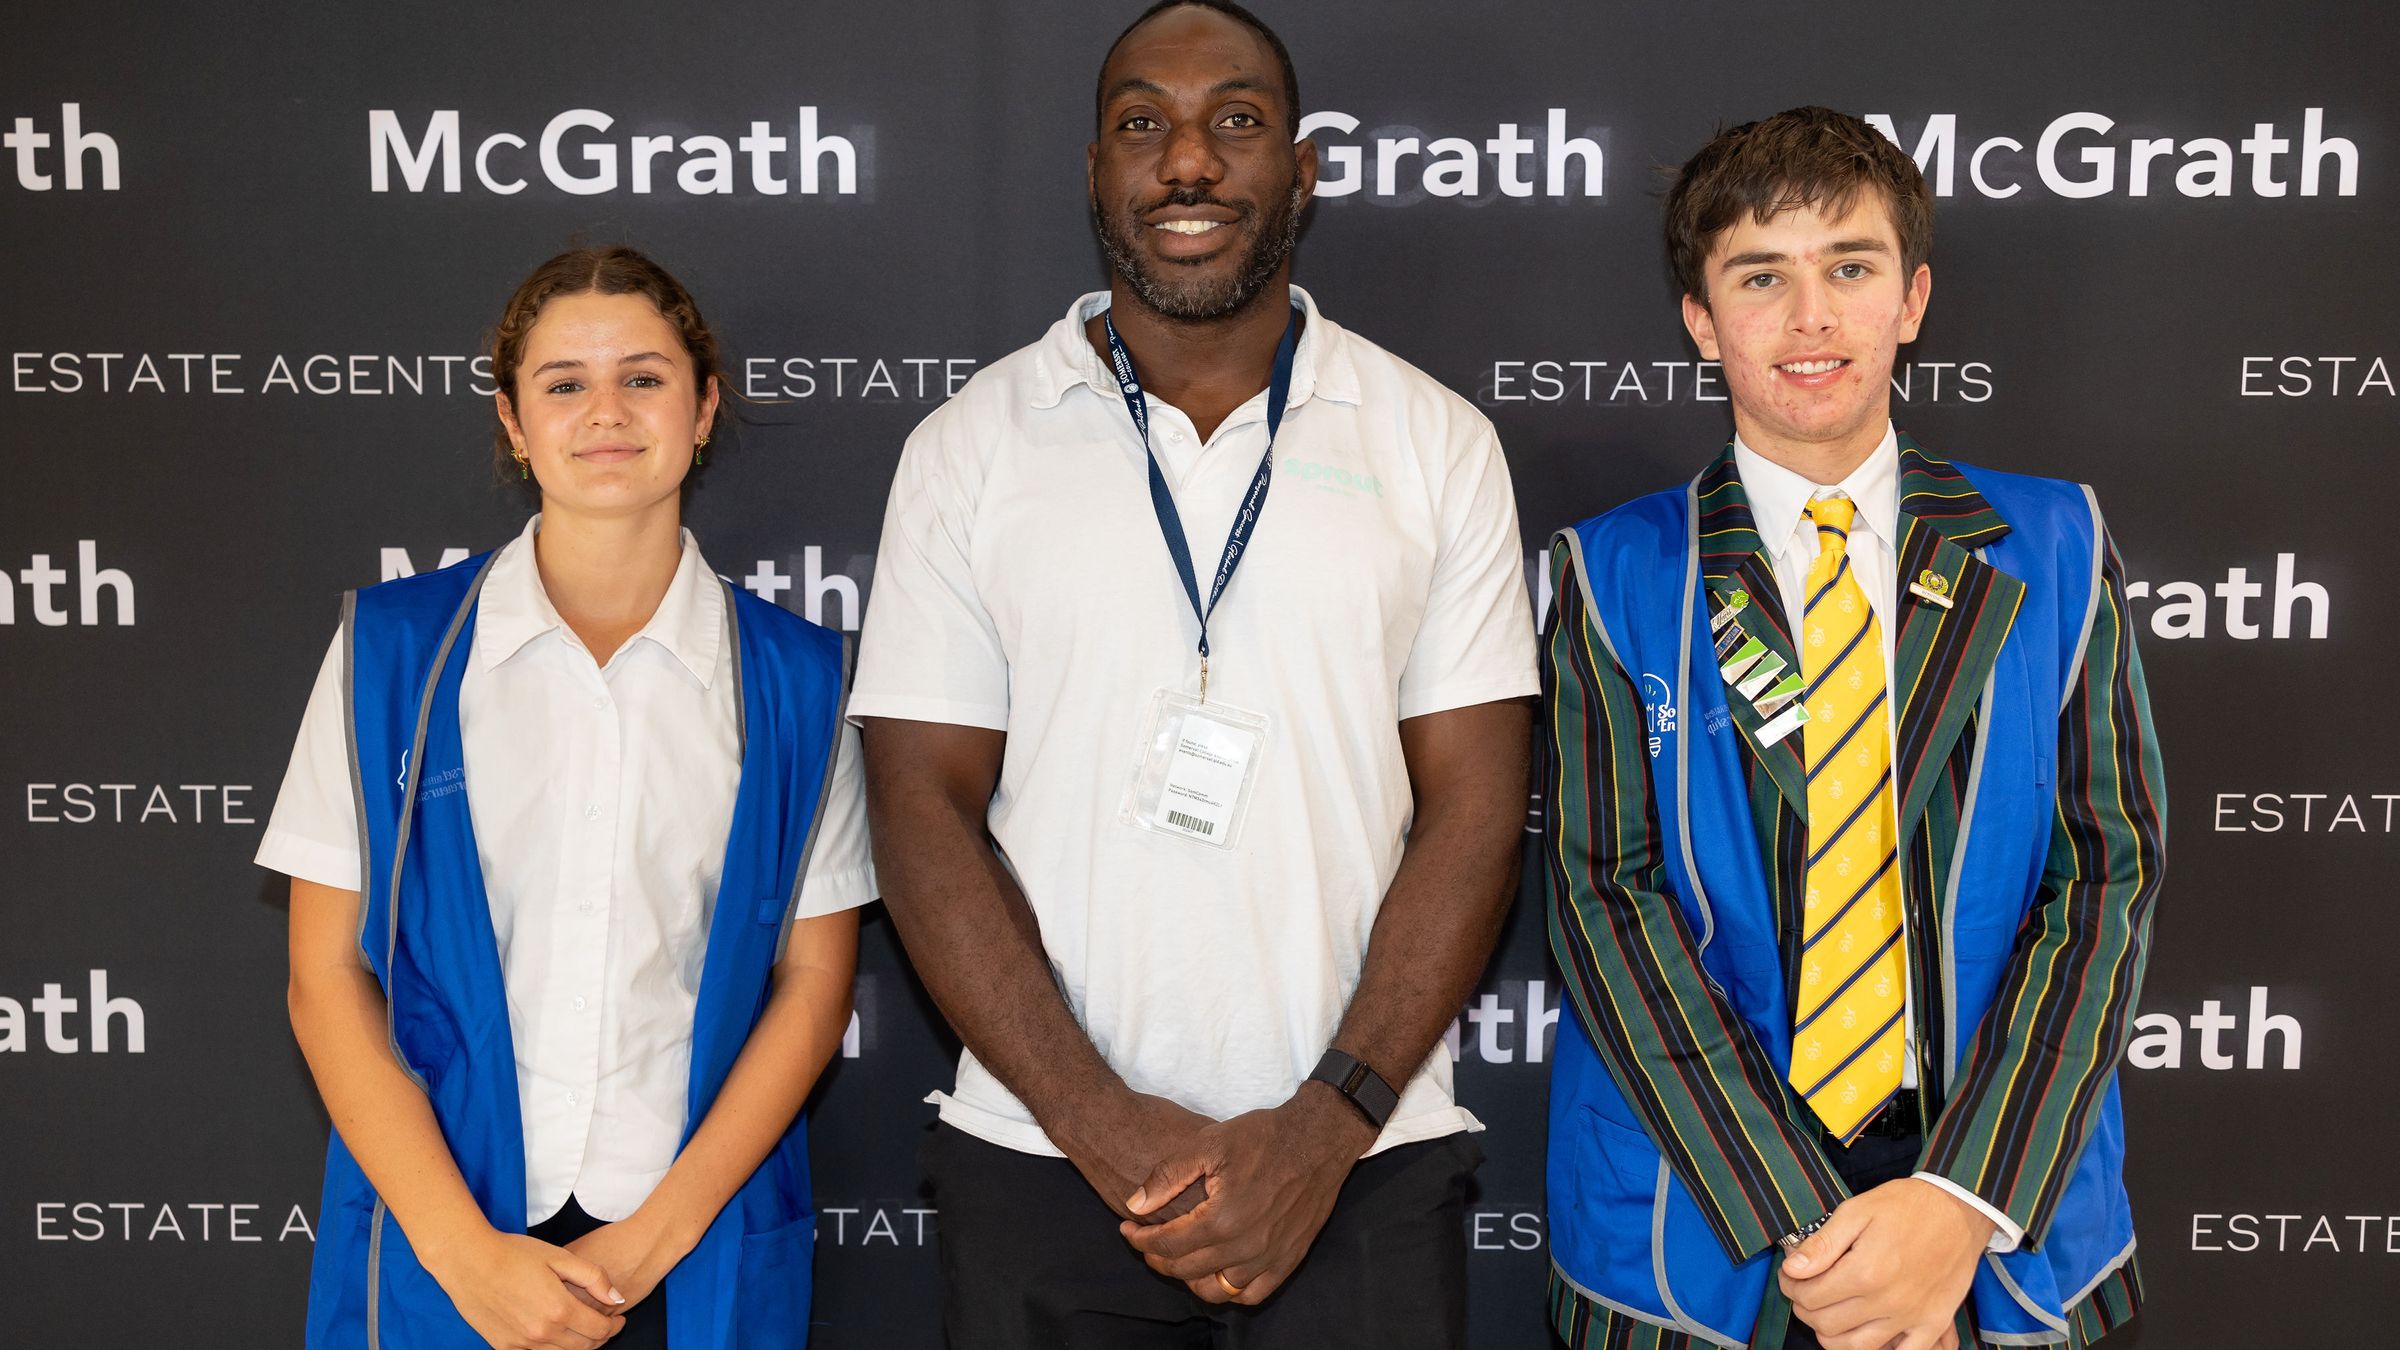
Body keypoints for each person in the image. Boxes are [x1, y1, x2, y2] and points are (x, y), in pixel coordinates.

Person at [849, 2, 1538, 1345]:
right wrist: (1104, 1126)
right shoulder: (970, 447)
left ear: (1302, 169)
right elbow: (920, 807)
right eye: (1141, 124)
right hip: (1043, 1160)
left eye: (1236, 120)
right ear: (1096, 170)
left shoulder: (1435, 440)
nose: (1187, 161)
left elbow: (1473, 810)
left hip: (1365, 1160)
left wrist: (1324, 1126)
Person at [1542, 108, 2164, 1350]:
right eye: (1760, 277)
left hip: (1996, 1209)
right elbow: (1606, 901)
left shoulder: (2054, 545)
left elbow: (2105, 878)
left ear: (1912, 298)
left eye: (1851, 267)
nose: (1811, 317)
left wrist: (1957, 1206)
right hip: (1712, 1221)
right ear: (1701, 320)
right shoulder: (1613, 572)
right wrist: (1818, 1233)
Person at [261, 246, 873, 1350]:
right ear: (512, 420)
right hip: (447, 1245)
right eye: (563, 383)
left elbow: (816, 985)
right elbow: (326, 976)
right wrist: (465, 1255)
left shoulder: (799, 680)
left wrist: (648, 1246)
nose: (606, 413)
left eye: (643, 377)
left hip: (690, 1253)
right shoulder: (388, 655)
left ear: (703, 408)